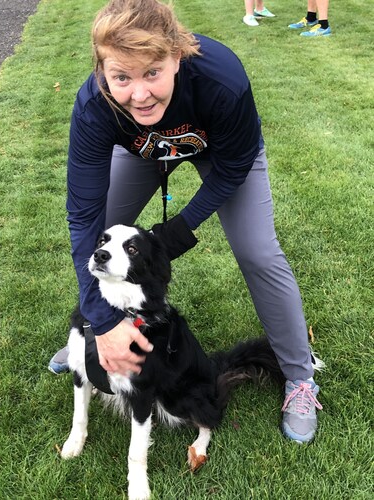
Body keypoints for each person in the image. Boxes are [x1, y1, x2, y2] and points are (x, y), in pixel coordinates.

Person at [49, 0, 323, 443]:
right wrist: (100, 320)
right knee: (105, 233)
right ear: (102, 71)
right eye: (121, 77)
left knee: (257, 250)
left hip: (219, 152)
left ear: (177, 55)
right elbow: (83, 216)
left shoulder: (221, 79)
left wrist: (182, 226)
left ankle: (299, 376)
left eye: (152, 72)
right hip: (142, 148)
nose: (139, 93)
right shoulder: (94, 106)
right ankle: (96, 333)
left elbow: (235, 167)